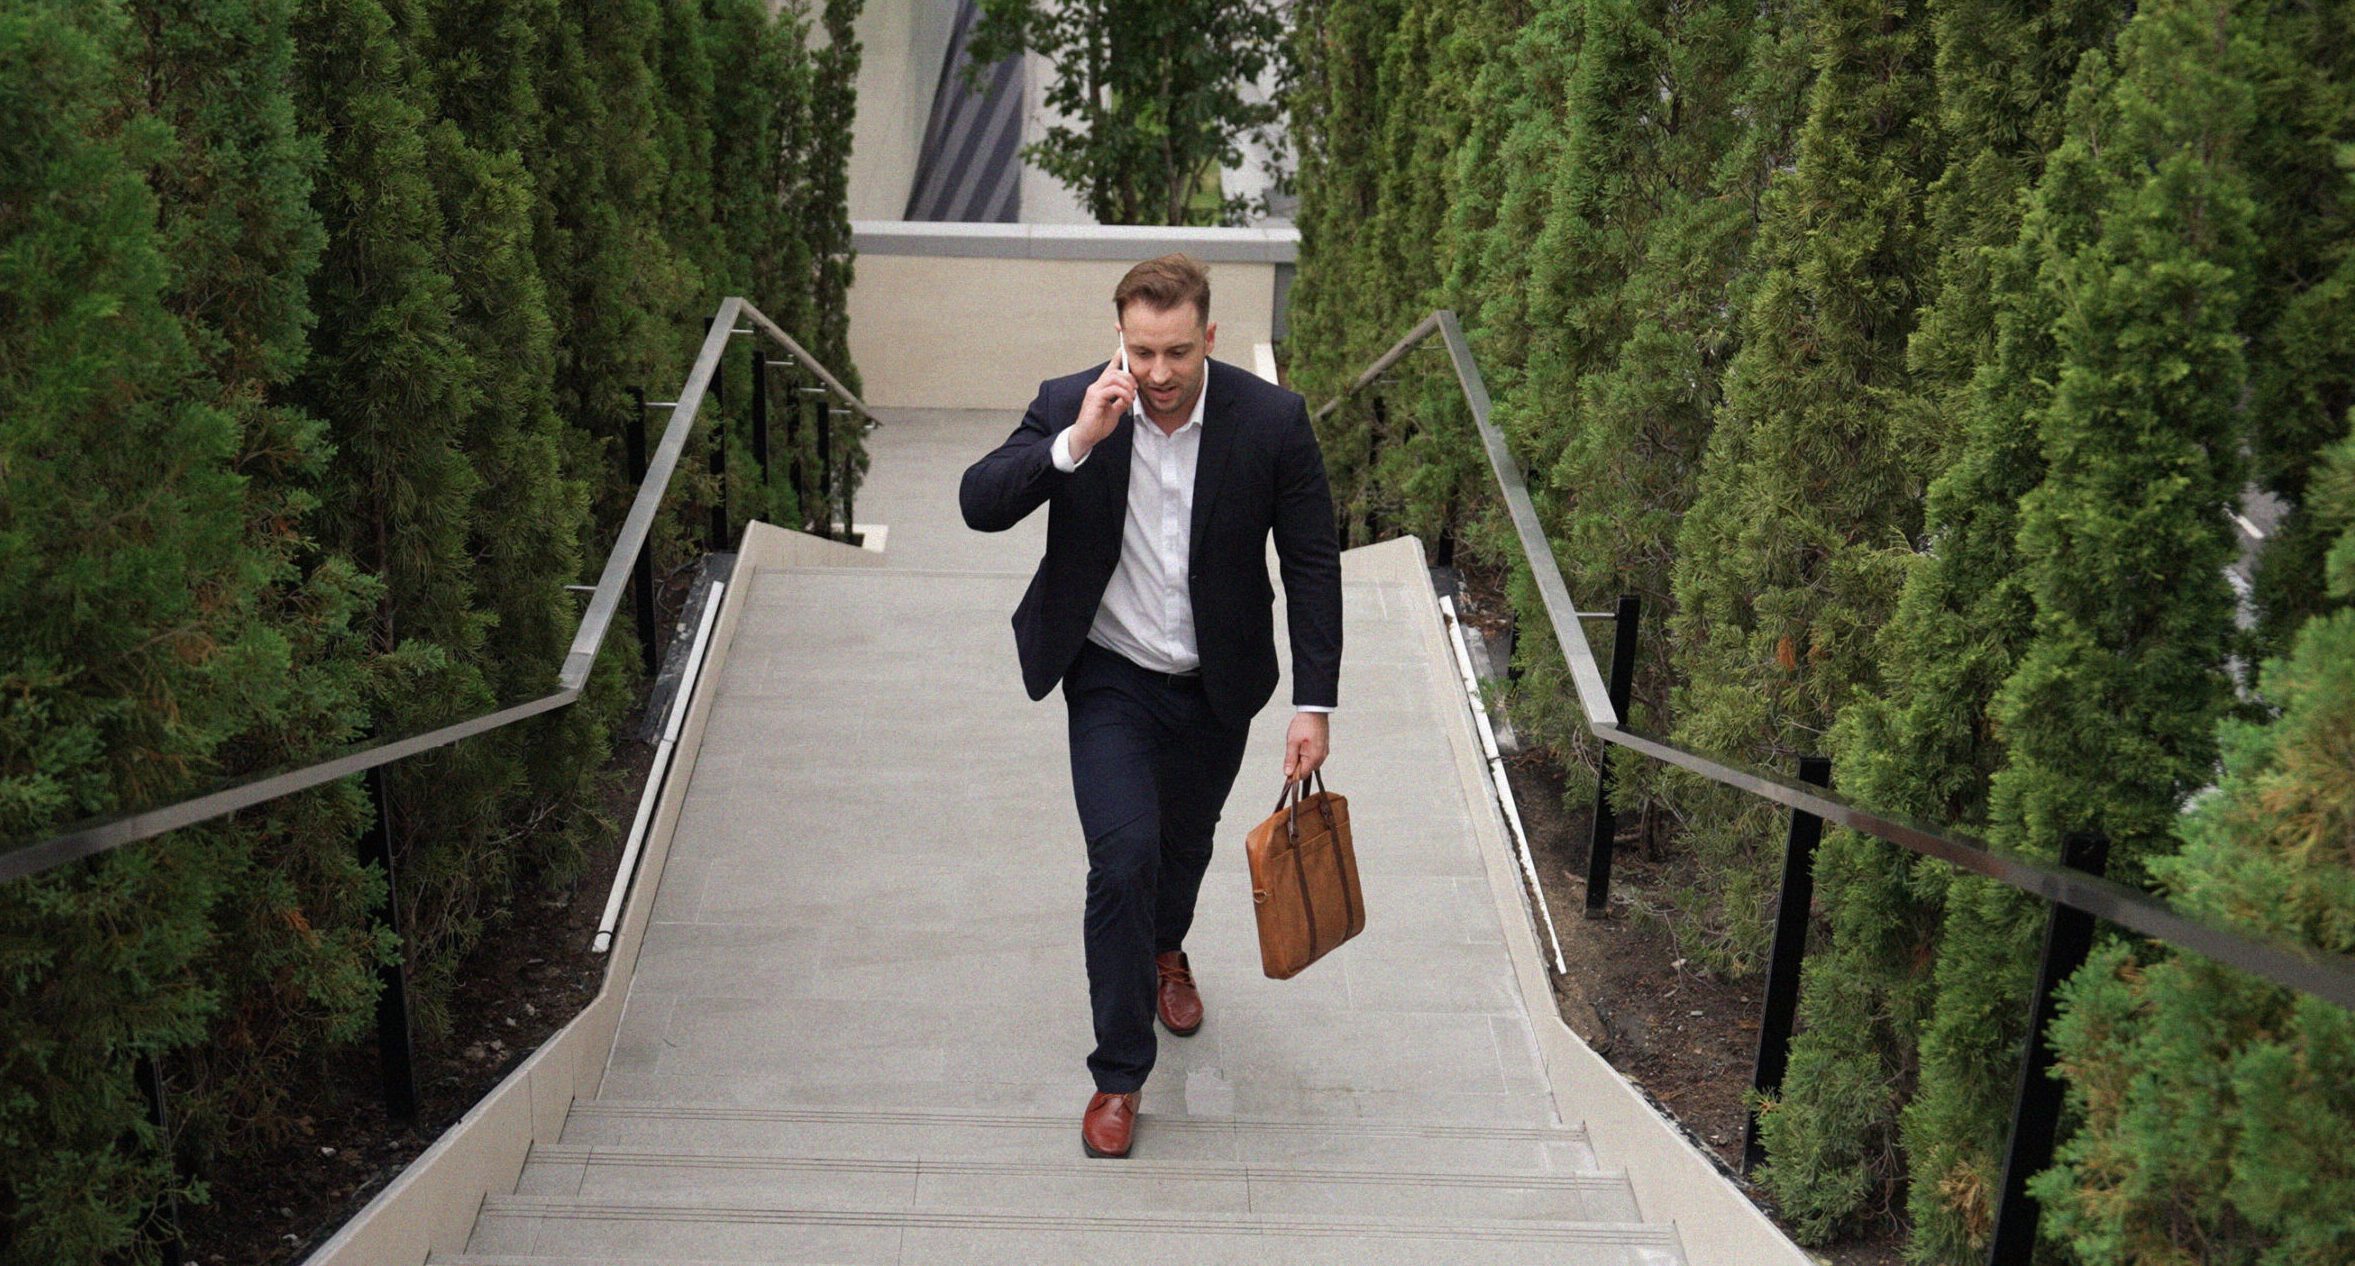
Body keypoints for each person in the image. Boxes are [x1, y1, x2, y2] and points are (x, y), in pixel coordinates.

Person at [958, 253, 1343, 1159]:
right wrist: (1076, 442)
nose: (1160, 375)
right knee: (1122, 857)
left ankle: (1167, 948)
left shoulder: (1271, 420)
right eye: (1141, 352)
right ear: (1118, 340)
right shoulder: (1072, 402)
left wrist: (1312, 702)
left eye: (1177, 352)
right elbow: (979, 504)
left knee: (1183, 846)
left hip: (1217, 685)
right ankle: (1119, 1075)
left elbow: (1312, 562)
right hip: (1110, 677)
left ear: (1208, 337)